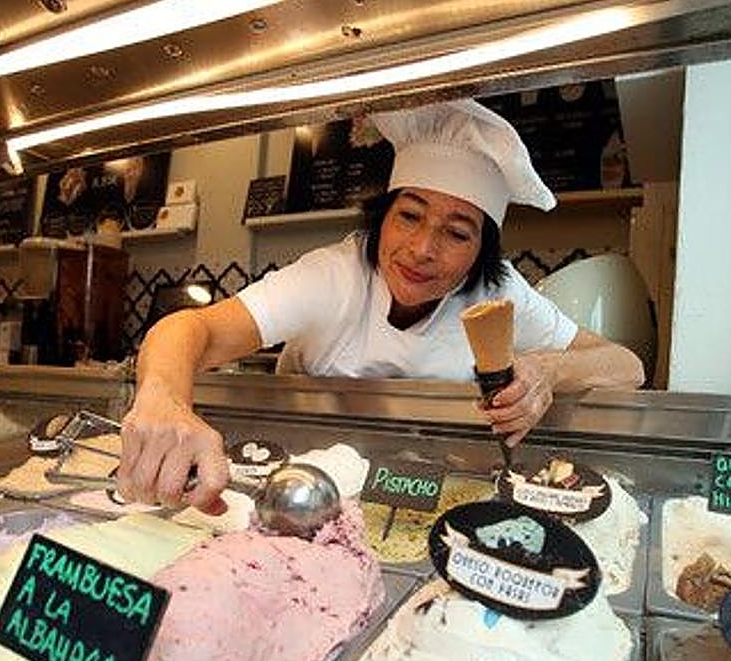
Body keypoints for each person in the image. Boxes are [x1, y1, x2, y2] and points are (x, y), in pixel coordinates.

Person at [118, 99, 644, 512]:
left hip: (430, 484)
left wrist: (548, 371)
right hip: (306, 477)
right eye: (410, 216)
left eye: (457, 232)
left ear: (481, 251)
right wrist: (165, 399)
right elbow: (193, 329)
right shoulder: (334, 275)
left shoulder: (499, 292)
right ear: (382, 216)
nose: (422, 249)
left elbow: (627, 367)